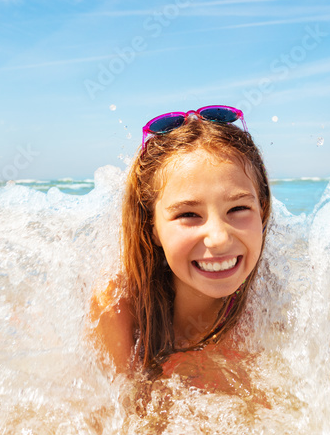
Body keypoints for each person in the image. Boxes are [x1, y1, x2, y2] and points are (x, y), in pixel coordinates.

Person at [90, 105, 272, 388]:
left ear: (262, 210)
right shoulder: (115, 307)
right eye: (188, 214)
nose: (219, 238)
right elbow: (116, 422)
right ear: (151, 228)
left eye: (238, 208)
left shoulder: (272, 306)